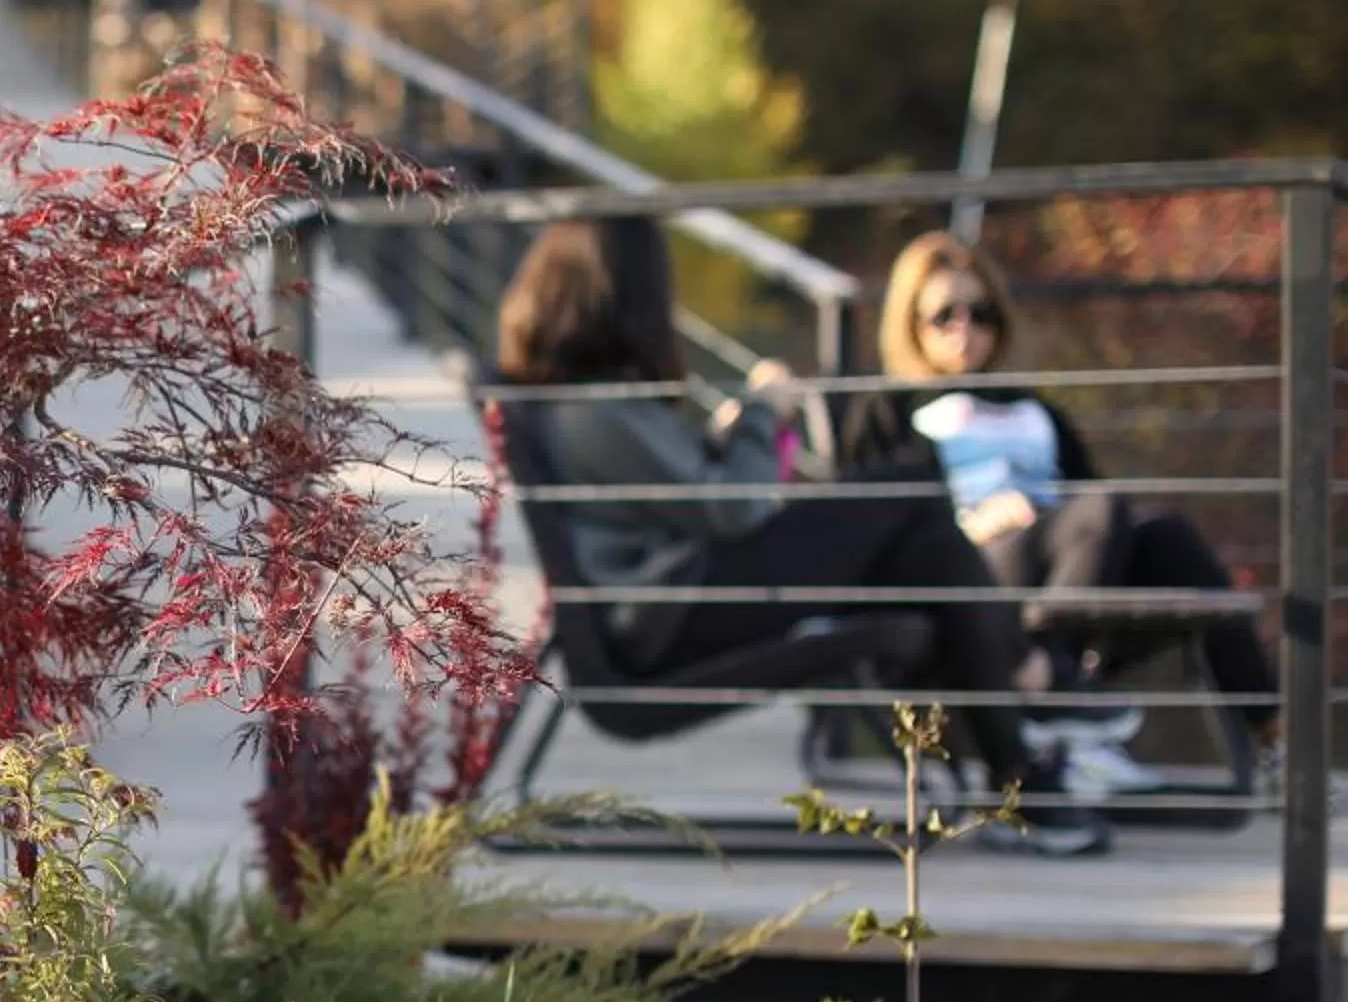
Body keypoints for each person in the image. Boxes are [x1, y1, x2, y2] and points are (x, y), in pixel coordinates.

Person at [496, 218, 1109, 854]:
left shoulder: (587, 404)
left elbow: (695, 494)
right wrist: (764, 409)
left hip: (677, 603)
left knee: (926, 546)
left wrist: (732, 435)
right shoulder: (597, 412)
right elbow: (736, 508)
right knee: (907, 493)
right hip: (672, 618)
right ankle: (1032, 692)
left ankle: (1019, 759)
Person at [833, 232, 1280, 793]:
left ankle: (1273, 738)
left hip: (1064, 559)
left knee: (1169, 536)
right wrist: (970, 524)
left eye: (981, 313)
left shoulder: (1035, 408)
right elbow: (869, 523)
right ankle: (1051, 690)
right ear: (910, 323)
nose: (964, 329)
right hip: (971, 569)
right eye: (943, 315)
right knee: (1094, 512)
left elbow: (1092, 499)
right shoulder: (890, 409)